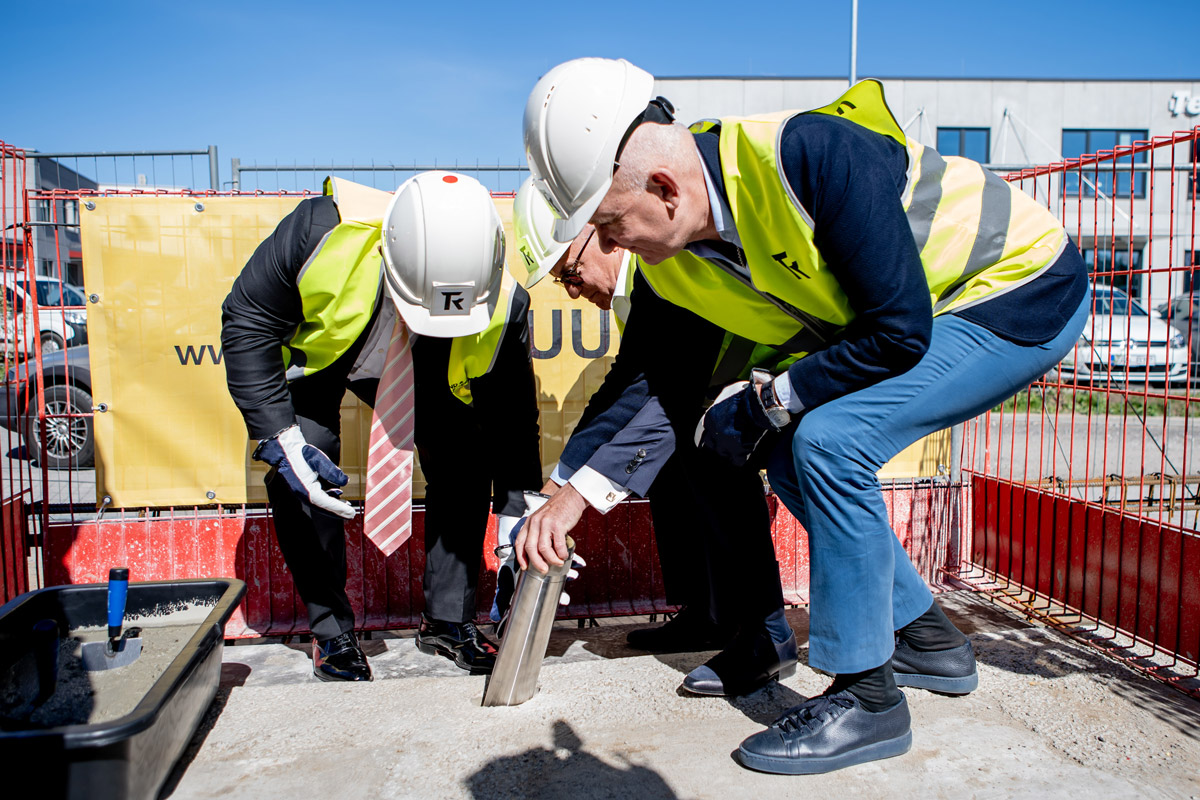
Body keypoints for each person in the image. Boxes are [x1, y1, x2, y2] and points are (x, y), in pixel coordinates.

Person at [518, 58, 1089, 774]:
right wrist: (569, 495)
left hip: (1018, 287)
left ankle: (869, 700)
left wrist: (773, 400)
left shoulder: (809, 155)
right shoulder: (672, 264)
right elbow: (651, 387)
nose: (611, 245)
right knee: (790, 454)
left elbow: (898, 332)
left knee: (825, 441)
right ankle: (927, 639)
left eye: (608, 225)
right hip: (930, 315)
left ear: (663, 190)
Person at [221, 172, 542, 682]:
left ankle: (447, 622)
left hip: (426, 363)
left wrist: (516, 512)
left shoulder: (504, 302)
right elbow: (249, 319)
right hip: (324, 358)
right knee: (305, 469)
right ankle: (330, 630)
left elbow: (511, 412)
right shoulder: (318, 231)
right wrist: (280, 438)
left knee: (464, 457)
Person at [511, 178, 793, 657]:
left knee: (709, 447)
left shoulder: (666, 264)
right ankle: (707, 613)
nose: (574, 292)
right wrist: (556, 484)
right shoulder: (639, 285)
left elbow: (669, 398)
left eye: (571, 275)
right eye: (563, 284)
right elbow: (624, 388)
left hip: (799, 371)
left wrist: (575, 497)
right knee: (672, 463)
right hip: (747, 382)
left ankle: (756, 625)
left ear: (594, 234)